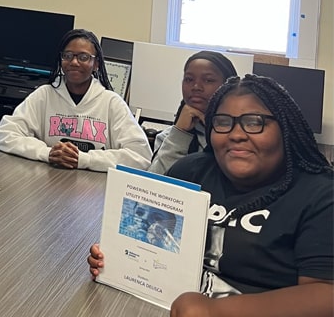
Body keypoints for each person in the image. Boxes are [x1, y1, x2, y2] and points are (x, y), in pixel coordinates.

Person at [88, 74, 333, 317]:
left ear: (285, 128)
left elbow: (325, 295)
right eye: (223, 121)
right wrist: (119, 257)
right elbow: (154, 242)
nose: (236, 134)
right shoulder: (190, 171)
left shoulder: (320, 195)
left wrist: (215, 310)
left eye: (254, 121)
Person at [0, 28, 152, 172]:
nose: (74, 62)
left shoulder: (111, 103)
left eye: (83, 57)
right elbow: (4, 134)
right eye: (67, 56)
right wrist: (47, 153)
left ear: (96, 64)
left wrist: (84, 159)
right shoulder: (45, 95)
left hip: (94, 192)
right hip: (49, 183)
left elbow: (141, 157)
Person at [148, 51, 238, 175]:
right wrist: (180, 134)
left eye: (208, 80)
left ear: (227, 86)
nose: (196, 86)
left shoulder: (239, 136)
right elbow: (153, 187)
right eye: (189, 79)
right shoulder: (170, 137)